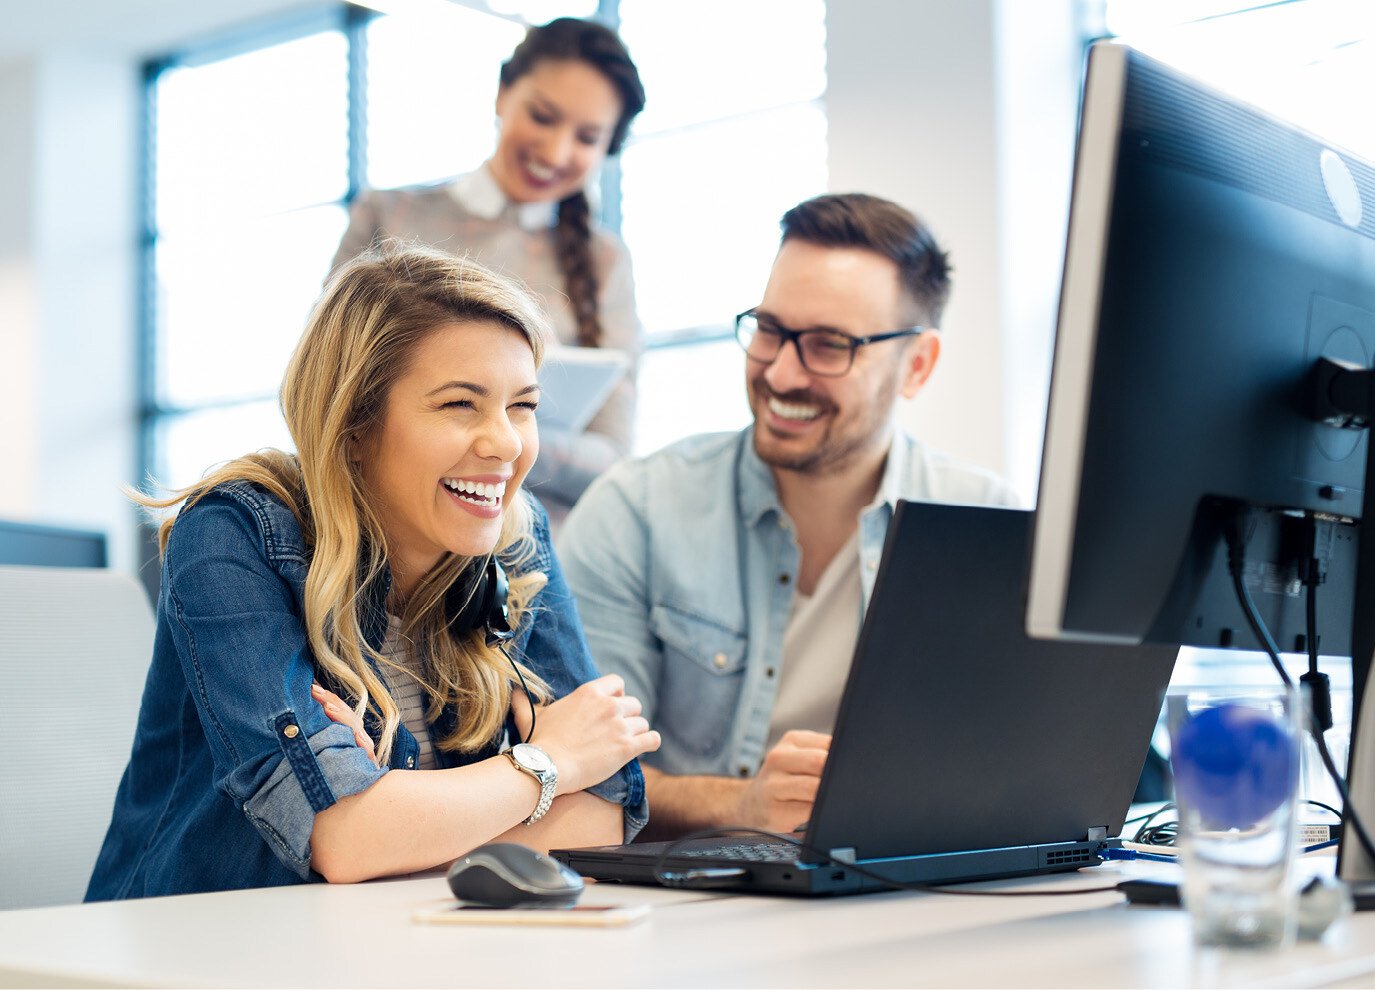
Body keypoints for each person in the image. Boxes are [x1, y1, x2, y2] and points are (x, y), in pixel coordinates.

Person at [86, 245, 659, 900]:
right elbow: (346, 840)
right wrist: (547, 762)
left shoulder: (513, 540)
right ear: (354, 423)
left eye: (521, 406)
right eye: (460, 405)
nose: (504, 443)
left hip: (391, 943)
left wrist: (394, 810)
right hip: (189, 945)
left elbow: (601, 815)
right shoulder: (231, 533)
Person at [558, 193, 1019, 839]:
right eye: (770, 330)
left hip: (912, 893)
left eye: (828, 345)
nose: (780, 371)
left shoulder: (991, 528)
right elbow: (582, 774)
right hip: (689, 908)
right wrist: (739, 805)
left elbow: (1027, 772)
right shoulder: (635, 511)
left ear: (915, 365)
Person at [331, 17, 646, 519]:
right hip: (385, 531)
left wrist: (498, 429)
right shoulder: (389, 218)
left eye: (587, 138)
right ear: (503, 93)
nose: (557, 151)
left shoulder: (605, 264)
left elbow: (614, 459)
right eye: (543, 116)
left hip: (533, 560)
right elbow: (326, 393)